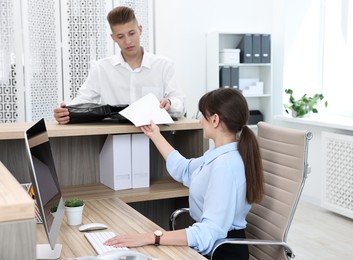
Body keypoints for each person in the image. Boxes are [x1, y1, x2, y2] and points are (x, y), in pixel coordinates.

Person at [105, 88, 264, 259]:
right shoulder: (219, 156)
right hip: (214, 247)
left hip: (222, 253)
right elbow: (185, 170)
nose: (200, 121)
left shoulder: (225, 166)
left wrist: (150, 237)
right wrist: (155, 135)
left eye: (203, 115)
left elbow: (208, 233)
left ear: (215, 120)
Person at [53, 6, 185, 124]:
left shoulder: (163, 65)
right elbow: (81, 101)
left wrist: (170, 103)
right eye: (120, 36)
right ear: (113, 38)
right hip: (114, 139)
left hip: (157, 138)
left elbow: (180, 103)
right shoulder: (101, 69)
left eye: (132, 33)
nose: (128, 41)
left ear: (140, 30)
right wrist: (65, 112)